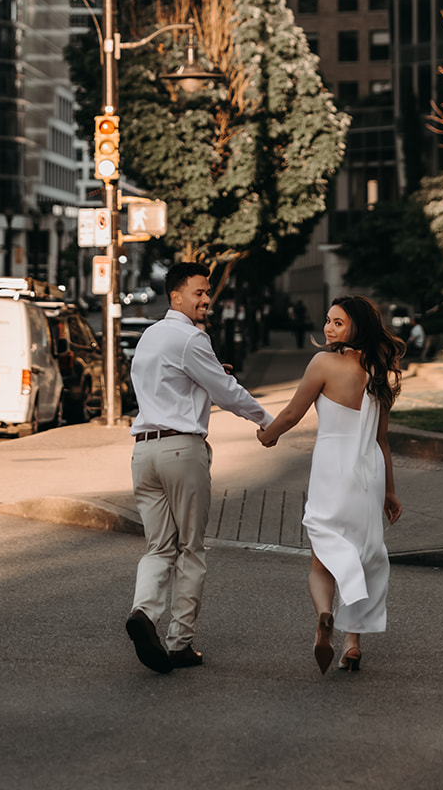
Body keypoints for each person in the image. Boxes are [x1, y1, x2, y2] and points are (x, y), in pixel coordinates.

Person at [125, 260, 273, 674]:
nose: (207, 299)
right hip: (182, 452)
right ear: (176, 296)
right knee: (191, 547)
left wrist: (206, 379)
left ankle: (143, 614)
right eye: (199, 293)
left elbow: (170, 382)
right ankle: (179, 643)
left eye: (208, 292)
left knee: (158, 546)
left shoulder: (151, 336)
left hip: (143, 452)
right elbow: (226, 392)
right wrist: (267, 421)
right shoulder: (192, 339)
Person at [258, 294, 403, 674]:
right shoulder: (378, 371)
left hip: (332, 467)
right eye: (327, 320)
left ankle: (325, 614)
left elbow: (293, 411)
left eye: (337, 322)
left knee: (322, 557)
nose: (328, 328)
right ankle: (352, 643)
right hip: (368, 471)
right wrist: (389, 491)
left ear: (356, 326)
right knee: (362, 551)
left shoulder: (323, 363)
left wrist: (268, 436)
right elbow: (382, 440)